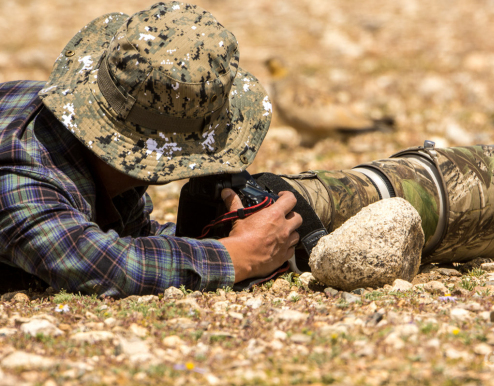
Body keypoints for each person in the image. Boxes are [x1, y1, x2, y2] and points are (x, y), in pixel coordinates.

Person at [0, 2, 302, 297]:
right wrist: (238, 255)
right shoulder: (22, 169)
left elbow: (132, 239)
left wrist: (222, 234)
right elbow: (92, 261)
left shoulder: (101, 167)